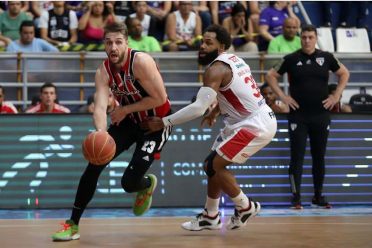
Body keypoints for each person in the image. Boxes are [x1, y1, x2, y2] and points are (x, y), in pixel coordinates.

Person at [142, 24, 277, 231]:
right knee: (211, 166)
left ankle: (245, 206)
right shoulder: (235, 59)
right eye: (202, 41)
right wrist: (215, 112)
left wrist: (164, 121)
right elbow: (235, 92)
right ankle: (211, 216)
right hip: (247, 119)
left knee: (213, 165)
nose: (202, 46)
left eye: (208, 43)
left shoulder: (215, 69)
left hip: (254, 124)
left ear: (221, 46)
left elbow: (198, 108)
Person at [51, 22, 172, 241]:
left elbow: (160, 98)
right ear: (104, 45)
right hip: (128, 121)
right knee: (93, 165)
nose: (113, 47)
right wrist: (101, 133)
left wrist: (125, 108)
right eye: (108, 43)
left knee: (128, 184)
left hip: (155, 123)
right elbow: (99, 107)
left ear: (127, 43)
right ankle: (72, 224)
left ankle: (146, 184)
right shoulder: (103, 71)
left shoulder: (141, 62)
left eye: (118, 42)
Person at [265, 24, 350, 209]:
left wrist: (336, 96)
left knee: (319, 157)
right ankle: (296, 198)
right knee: (297, 157)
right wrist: (282, 97)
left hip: (320, 115)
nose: (307, 41)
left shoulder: (327, 57)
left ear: (316, 38)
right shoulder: (290, 58)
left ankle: (318, 196)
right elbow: (270, 75)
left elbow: (344, 73)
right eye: (304, 37)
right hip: (298, 116)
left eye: (310, 37)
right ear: (300, 38)